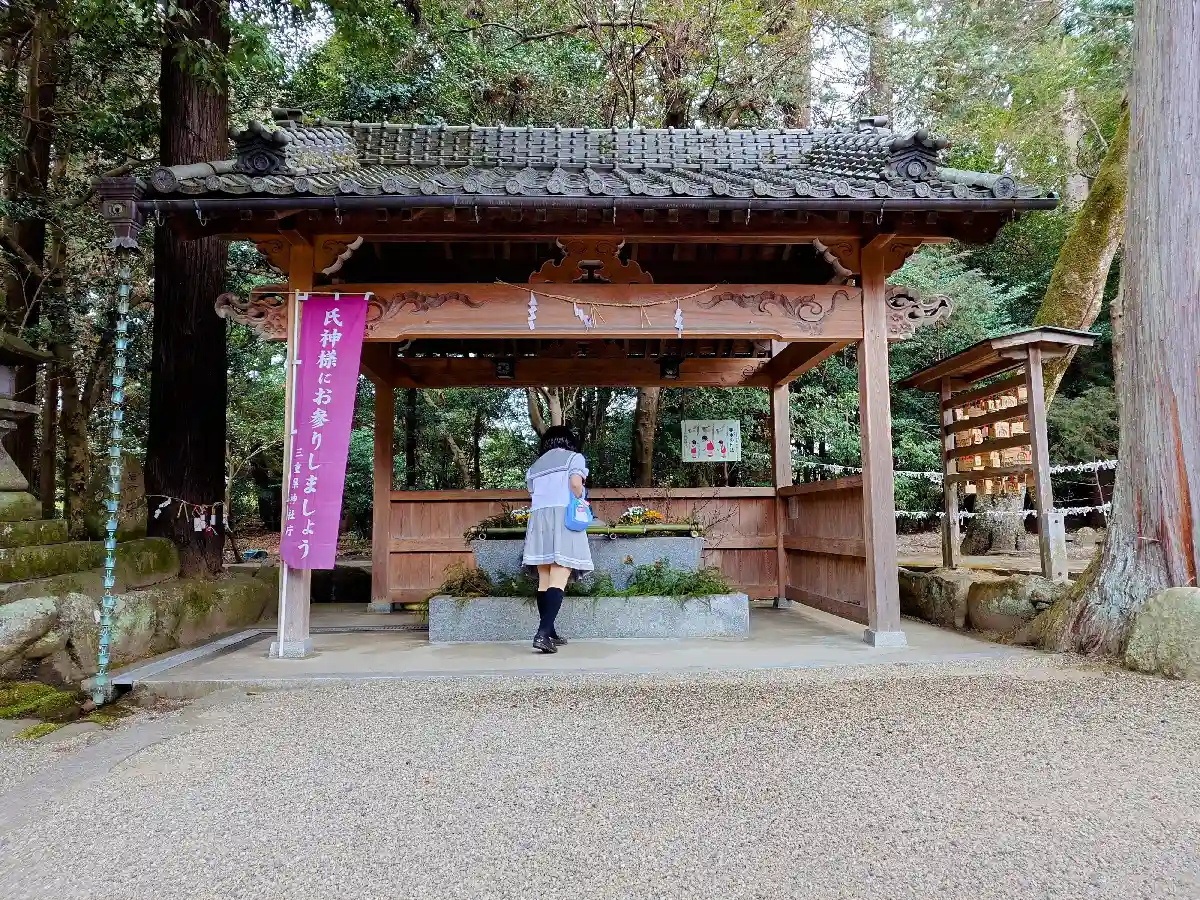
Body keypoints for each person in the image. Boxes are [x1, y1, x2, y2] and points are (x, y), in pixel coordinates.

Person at [522, 425, 593, 653]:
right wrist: (581, 496)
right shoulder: (574, 458)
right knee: (560, 573)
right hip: (563, 517)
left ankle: (549, 630)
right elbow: (575, 485)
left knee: (544, 578)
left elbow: (533, 493)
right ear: (568, 441)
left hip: (538, 521)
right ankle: (542, 634)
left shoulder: (535, 466)